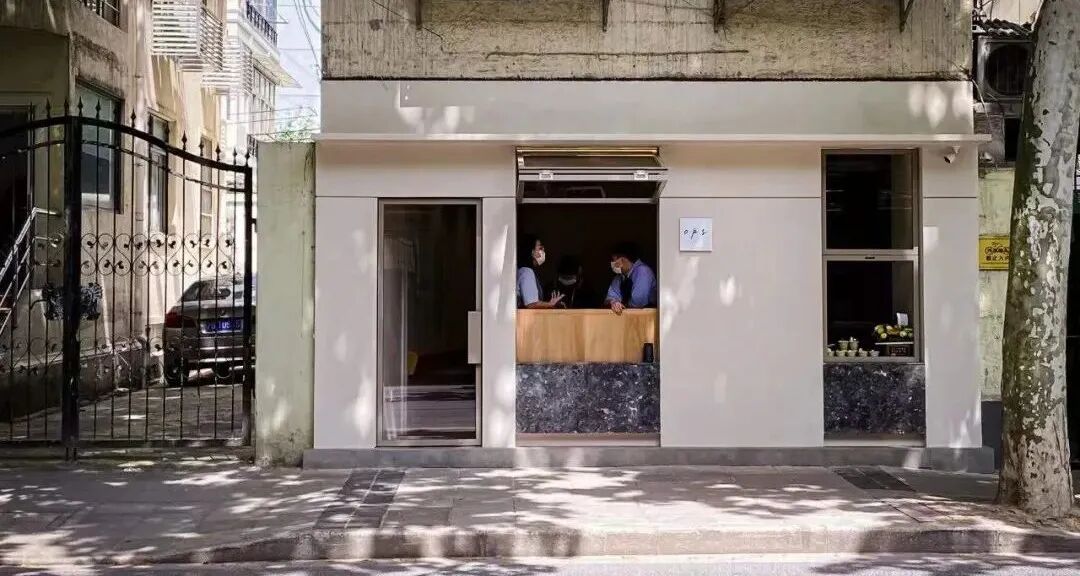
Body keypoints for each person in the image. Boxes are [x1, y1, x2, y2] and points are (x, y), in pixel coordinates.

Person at [604, 242, 657, 314]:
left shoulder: (643, 271)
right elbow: (610, 297)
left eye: (614, 260)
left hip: (645, 316)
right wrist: (614, 302)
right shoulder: (619, 277)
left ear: (623, 259)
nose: (612, 263)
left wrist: (623, 306)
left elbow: (638, 302)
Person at [517, 235, 563, 309]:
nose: (543, 250)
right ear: (532, 252)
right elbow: (531, 304)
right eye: (540, 248)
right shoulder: (527, 272)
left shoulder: (525, 271)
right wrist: (550, 304)